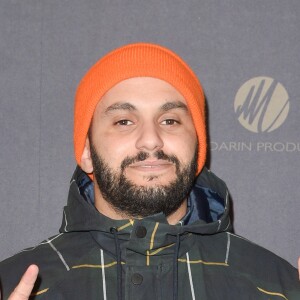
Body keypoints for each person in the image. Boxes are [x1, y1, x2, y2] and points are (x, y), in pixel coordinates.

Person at [0, 43, 299, 300]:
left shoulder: (275, 286)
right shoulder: (13, 283)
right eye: (124, 121)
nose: (151, 139)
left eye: (169, 120)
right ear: (87, 153)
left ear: (197, 149)